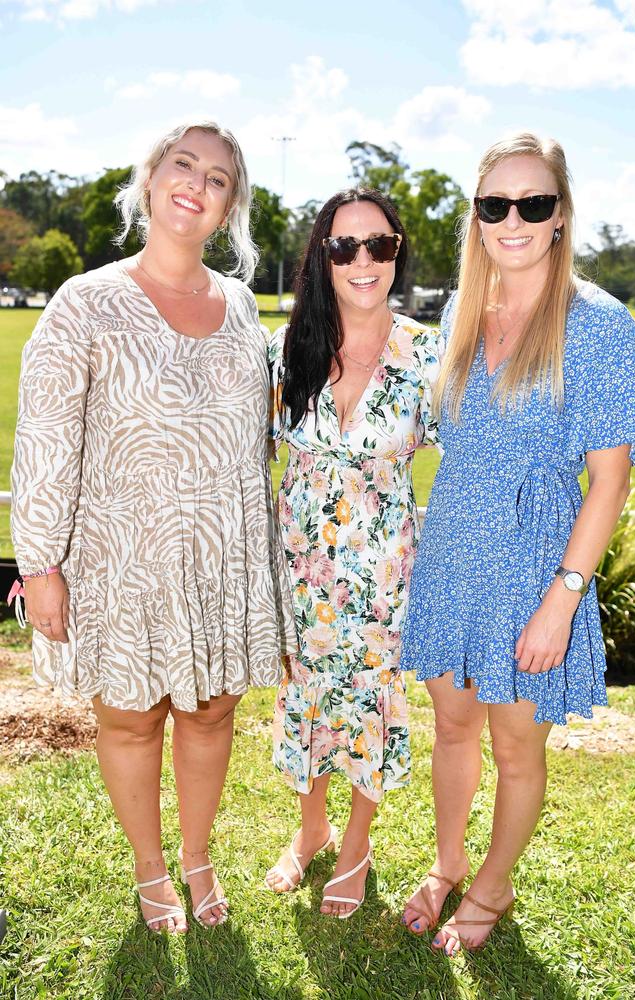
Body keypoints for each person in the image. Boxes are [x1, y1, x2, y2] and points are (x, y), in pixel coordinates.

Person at [10, 120, 295, 933]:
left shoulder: (242, 307)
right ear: (149, 178)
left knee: (210, 711)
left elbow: (265, 441)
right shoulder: (86, 302)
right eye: (183, 164)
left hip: (222, 554)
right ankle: (150, 868)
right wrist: (40, 564)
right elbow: (45, 441)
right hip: (122, 555)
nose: (196, 184)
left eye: (218, 178)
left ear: (229, 205)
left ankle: (198, 857)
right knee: (132, 718)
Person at [400, 132, 635, 955]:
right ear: (476, 217)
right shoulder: (463, 311)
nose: (512, 219)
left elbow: (610, 481)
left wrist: (562, 603)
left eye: (532, 203)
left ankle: (493, 887)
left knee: (514, 742)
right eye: (494, 204)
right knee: (451, 725)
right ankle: (445, 864)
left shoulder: (599, 323)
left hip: (537, 565)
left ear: (560, 216)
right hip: (454, 550)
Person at [265, 189, 441, 917]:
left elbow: (473, 457)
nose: (361, 261)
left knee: (371, 700)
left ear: (398, 251)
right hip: (300, 564)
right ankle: (311, 830)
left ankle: (356, 844)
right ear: (322, 256)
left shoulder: (428, 356)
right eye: (344, 247)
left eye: (378, 245)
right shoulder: (286, 347)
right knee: (304, 691)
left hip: (383, 570)